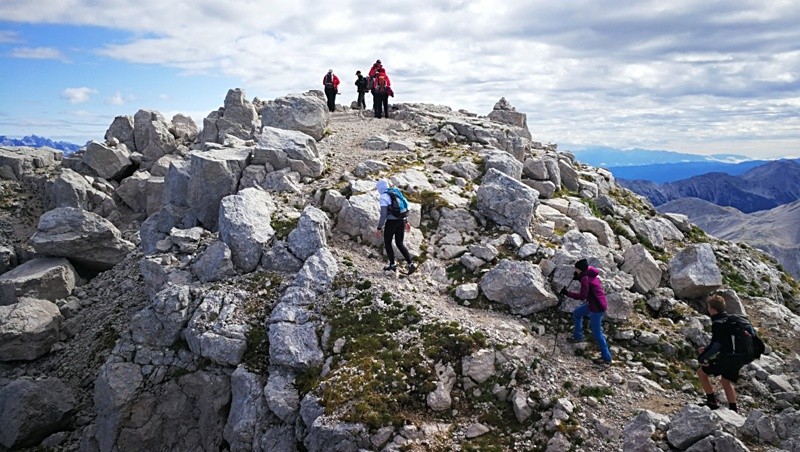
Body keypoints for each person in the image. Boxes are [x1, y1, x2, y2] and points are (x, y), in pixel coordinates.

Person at [696, 294, 746, 412]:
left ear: (712, 309)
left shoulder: (718, 323)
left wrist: (702, 357)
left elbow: (716, 345)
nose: (708, 309)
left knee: (701, 373)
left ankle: (712, 401)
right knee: (725, 381)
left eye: (708, 307)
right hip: (738, 357)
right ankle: (733, 410)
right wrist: (708, 349)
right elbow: (724, 342)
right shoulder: (730, 320)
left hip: (726, 358)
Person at [560, 258, 612, 365]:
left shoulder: (585, 278)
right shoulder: (589, 272)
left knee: (597, 333)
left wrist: (567, 293)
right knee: (577, 313)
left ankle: (606, 357)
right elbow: (589, 284)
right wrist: (578, 277)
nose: (575, 270)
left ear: (580, 269)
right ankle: (578, 336)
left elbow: (582, 296)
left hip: (596, 307)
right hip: (595, 303)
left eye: (576, 269)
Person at [374, 179, 416, 274]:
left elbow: (383, 214)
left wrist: (379, 228)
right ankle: (411, 264)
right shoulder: (395, 192)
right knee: (399, 243)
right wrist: (406, 221)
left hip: (391, 222)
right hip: (401, 221)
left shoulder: (384, 197)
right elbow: (401, 208)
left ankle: (392, 265)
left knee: (388, 242)